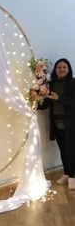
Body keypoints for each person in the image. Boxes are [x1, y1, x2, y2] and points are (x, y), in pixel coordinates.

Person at [40, 58, 75, 189]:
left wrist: (59, 98)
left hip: (71, 125)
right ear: (55, 69)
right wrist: (36, 101)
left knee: (72, 151)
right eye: (59, 67)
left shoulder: (73, 82)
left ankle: (73, 177)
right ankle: (67, 174)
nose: (61, 69)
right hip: (57, 124)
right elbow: (48, 103)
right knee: (63, 151)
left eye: (64, 67)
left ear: (68, 69)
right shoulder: (52, 84)